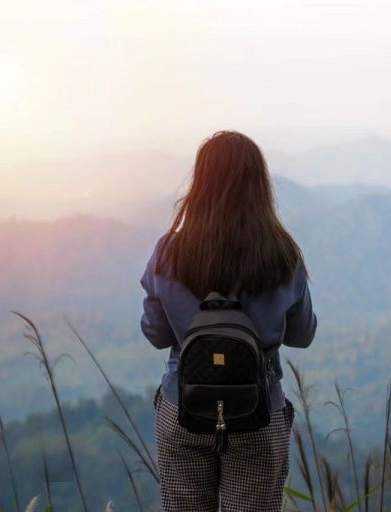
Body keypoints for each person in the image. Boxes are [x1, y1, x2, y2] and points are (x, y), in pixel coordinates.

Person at [139, 130, 317, 512]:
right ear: (260, 187)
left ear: (200, 184)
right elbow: (302, 335)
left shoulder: (169, 251)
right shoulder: (283, 254)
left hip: (182, 405)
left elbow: (155, 334)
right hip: (258, 413)